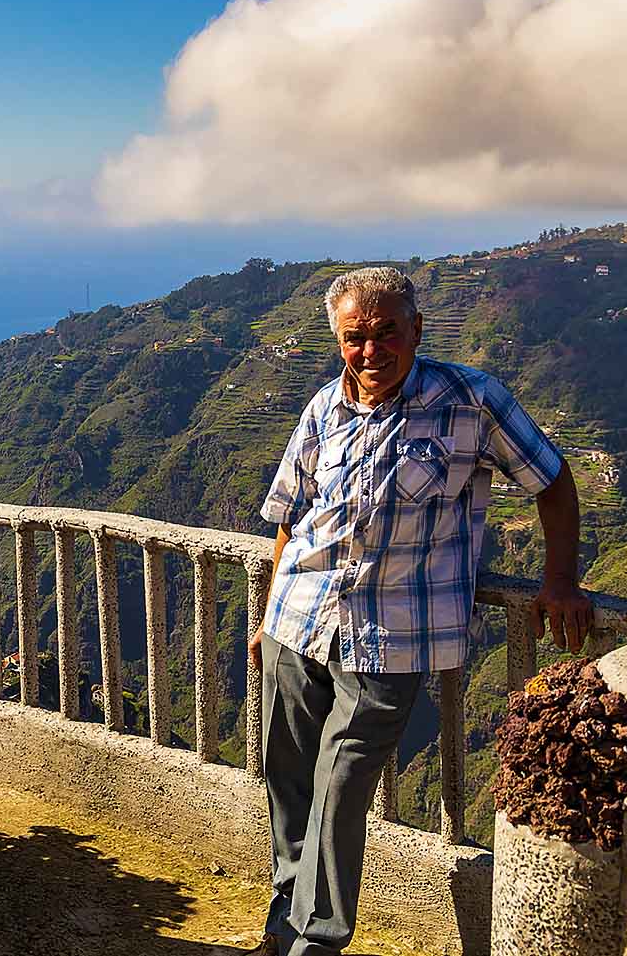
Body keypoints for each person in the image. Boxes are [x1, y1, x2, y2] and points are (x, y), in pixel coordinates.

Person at [247, 267, 593, 956]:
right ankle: (281, 925)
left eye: (386, 333)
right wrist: (265, 617)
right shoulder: (323, 408)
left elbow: (553, 480)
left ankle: (315, 942)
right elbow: (289, 519)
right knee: (288, 781)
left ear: (417, 331)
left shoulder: (471, 400)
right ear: (337, 340)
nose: (370, 350)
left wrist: (560, 580)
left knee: (341, 785)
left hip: (392, 636)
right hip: (298, 620)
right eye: (355, 337)